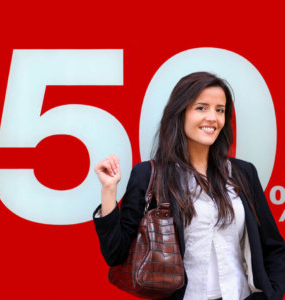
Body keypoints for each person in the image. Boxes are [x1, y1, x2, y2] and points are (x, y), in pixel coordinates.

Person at [93, 72, 285, 300]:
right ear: (180, 112)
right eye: (201, 108)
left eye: (220, 110)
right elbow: (116, 253)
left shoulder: (243, 173)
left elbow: (274, 246)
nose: (213, 118)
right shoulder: (150, 175)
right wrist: (109, 190)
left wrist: (270, 294)